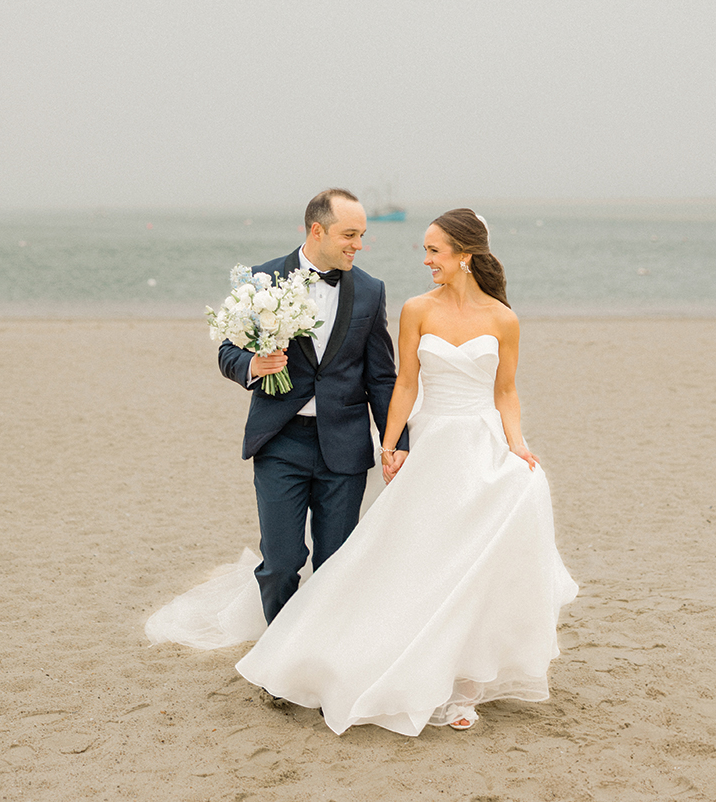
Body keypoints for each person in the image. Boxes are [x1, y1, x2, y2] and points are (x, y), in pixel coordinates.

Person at [235, 208, 578, 735]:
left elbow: (506, 390)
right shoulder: (415, 309)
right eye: (426, 250)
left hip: (481, 444)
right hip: (428, 443)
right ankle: (308, 655)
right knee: (409, 558)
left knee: (475, 559)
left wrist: (517, 445)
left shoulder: (503, 319)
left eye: (434, 250)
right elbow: (403, 383)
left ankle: (465, 686)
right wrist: (391, 443)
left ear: (465, 256)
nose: (426, 260)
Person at [217, 188, 407, 625]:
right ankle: (279, 650)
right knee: (281, 563)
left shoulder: (371, 291)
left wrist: (394, 441)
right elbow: (228, 351)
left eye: (362, 235)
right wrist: (254, 365)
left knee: (336, 564)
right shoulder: (262, 281)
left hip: (345, 446)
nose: (359, 245)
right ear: (317, 230)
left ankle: (323, 652)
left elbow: (381, 377)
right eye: (350, 235)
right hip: (280, 442)